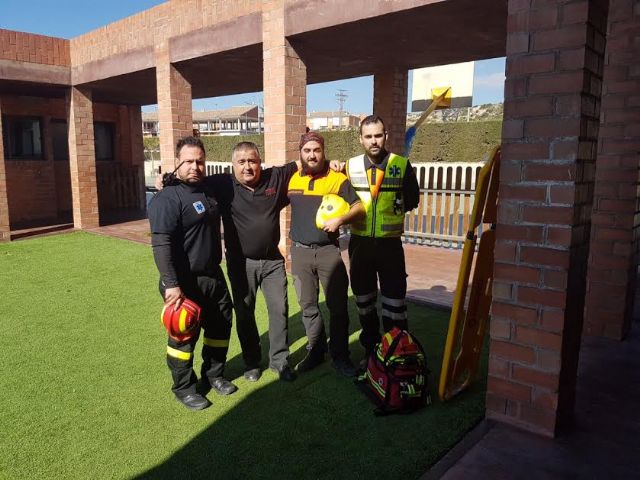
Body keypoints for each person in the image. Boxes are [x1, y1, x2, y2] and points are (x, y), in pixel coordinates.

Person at [148, 136, 237, 411]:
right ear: (177, 162)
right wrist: (171, 284)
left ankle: (214, 374)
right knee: (182, 337)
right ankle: (184, 387)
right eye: (188, 161)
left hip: (213, 275)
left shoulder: (209, 191)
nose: (195, 166)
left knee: (220, 326)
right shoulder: (167, 198)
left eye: (200, 161)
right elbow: (160, 243)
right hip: (182, 283)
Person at [203, 142, 299, 383]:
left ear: (260, 162)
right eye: (242, 162)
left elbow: (303, 162)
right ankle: (251, 362)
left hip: (273, 263)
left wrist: (333, 164)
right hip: (240, 264)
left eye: (252, 161)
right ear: (233, 165)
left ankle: (280, 361)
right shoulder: (223, 184)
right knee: (245, 314)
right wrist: (168, 180)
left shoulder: (274, 177)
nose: (248, 167)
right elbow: (190, 184)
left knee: (279, 310)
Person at [287, 132, 365, 377]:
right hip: (299, 253)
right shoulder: (291, 179)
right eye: (307, 150)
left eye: (317, 150)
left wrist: (341, 219)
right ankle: (316, 349)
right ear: (301, 152)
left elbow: (360, 207)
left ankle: (340, 356)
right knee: (308, 305)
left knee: (338, 306)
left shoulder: (336, 177)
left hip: (328, 252)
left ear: (323, 151)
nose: (312, 155)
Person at [344, 115, 420, 363]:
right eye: (368, 136)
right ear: (360, 139)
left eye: (378, 135)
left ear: (385, 136)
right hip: (360, 244)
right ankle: (370, 350)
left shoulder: (401, 164)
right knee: (364, 301)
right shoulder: (350, 166)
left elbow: (412, 199)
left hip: (390, 245)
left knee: (394, 303)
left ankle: (396, 351)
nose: (374, 141)